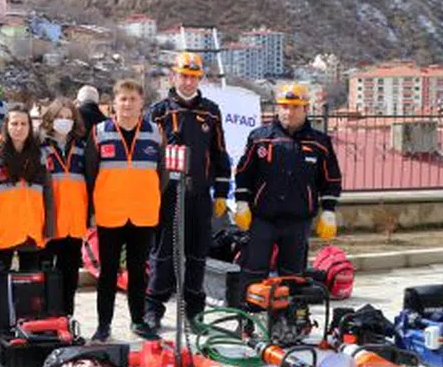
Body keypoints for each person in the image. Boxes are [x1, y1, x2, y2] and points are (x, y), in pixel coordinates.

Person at [145, 53, 231, 335]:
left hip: (199, 194)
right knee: (163, 254)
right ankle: (153, 310)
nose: (188, 81)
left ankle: (194, 313)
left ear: (200, 79)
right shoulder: (158, 112)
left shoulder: (211, 112)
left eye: (193, 77)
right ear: (174, 76)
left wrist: (221, 191)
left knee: (197, 255)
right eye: (183, 76)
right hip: (167, 194)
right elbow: (147, 155)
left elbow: (219, 153)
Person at [233, 83, 342, 293]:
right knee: (253, 273)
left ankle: (289, 314)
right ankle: (249, 313)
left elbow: (331, 179)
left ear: (306, 108)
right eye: (284, 106)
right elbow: (244, 173)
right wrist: (242, 203)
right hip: (262, 218)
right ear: (277, 108)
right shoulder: (260, 138)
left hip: (298, 221)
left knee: (292, 277)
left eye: (294, 107)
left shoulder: (320, 143)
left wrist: (328, 211)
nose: (288, 112)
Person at [85, 79, 166, 342]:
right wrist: (93, 209)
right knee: (108, 272)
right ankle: (103, 324)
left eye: (133, 99)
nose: (128, 104)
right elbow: (90, 173)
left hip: (143, 213)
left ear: (142, 103)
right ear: (114, 103)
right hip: (110, 213)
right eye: (123, 99)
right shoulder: (99, 132)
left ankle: (138, 321)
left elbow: (162, 174)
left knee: (138, 271)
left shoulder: (155, 132)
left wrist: (149, 196)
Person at [0, 104, 54, 331]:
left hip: (31, 229)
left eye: (24, 123)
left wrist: (49, 228)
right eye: (14, 123)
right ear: (6, 126)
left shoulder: (39, 156)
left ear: (30, 127)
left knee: (30, 285)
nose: (19, 128)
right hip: (1, 231)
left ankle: (28, 325)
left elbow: (48, 195)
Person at [38, 98, 87, 317]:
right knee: (46, 273)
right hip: (49, 221)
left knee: (70, 274)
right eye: (60, 117)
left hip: (74, 222)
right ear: (51, 118)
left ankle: (66, 317)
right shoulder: (40, 147)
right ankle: (45, 318)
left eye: (69, 117)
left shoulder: (82, 147)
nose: (64, 121)